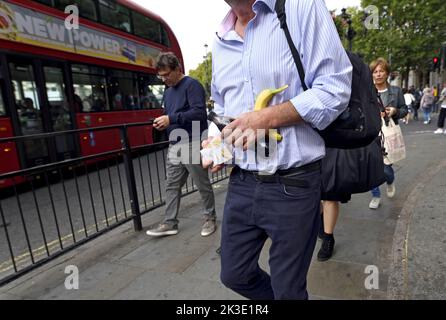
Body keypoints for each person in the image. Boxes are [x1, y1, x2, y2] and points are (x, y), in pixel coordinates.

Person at [205, 0, 352, 299]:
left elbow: (335, 87)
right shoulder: (220, 38)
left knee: (288, 290)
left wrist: (268, 117)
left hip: (294, 183)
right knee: (234, 274)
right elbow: (220, 106)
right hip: (242, 181)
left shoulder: (300, 6)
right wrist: (218, 142)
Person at [146, 52, 217, 238]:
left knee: (201, 183)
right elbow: (171, 113)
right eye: (160, 76)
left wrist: (171, 118)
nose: (164, 79)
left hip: (193, 140)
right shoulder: (168, 91)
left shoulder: (192, 85)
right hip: (175, 144)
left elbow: (199, 113)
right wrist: (163, 122)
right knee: (172, 185)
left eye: (167, 74)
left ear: (178, 69)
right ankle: (170, 223)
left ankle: (210, 218)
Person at [368, 58, 407, 210]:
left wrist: (395, 111)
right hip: (371, 134)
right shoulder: (367, 91)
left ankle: (390, 181)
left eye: (381, 71)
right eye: (375, 72)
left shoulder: (396, 91)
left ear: (387, 73)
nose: (378, 74)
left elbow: (405, 109)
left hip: (388, 134)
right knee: (371, 167)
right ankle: (376, 195)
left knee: (386, 168)